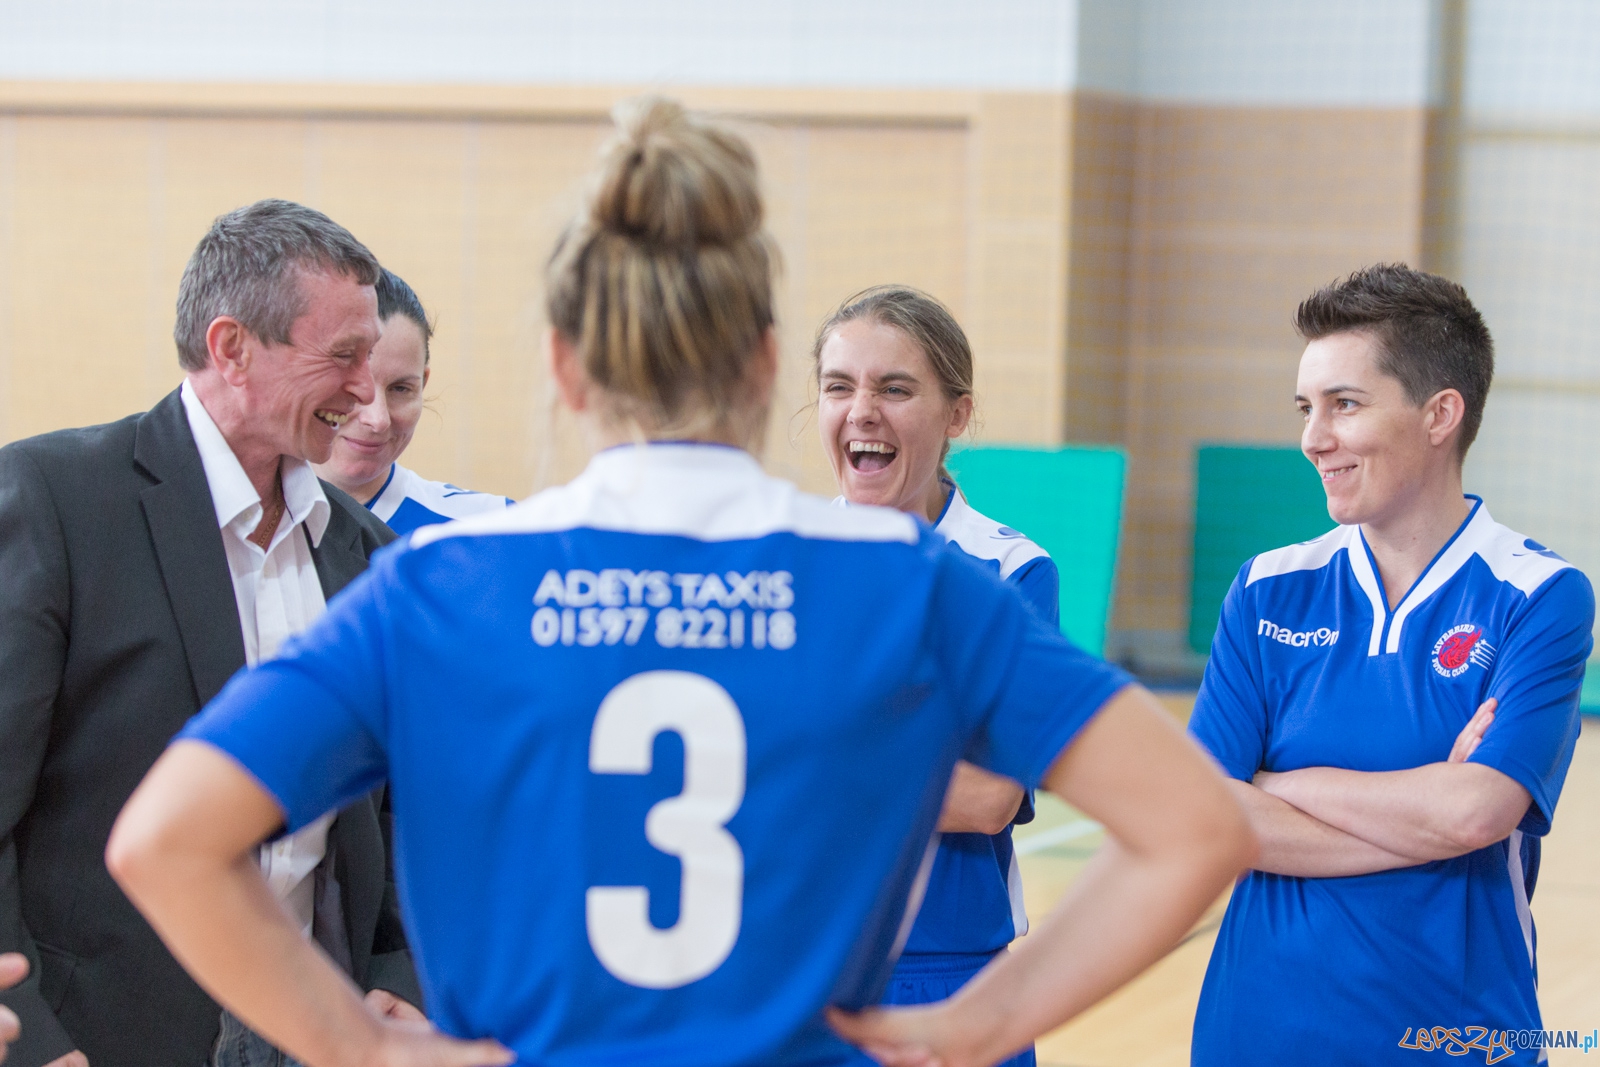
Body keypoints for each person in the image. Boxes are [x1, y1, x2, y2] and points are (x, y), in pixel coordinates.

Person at [104, 97, 1252, 1067]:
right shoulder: (904, 582)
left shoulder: (444, 584)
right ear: (766, 359)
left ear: (561, 361)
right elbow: (1195, 822)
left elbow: (163, 840)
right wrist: (979, 1021)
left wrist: (359, 1042)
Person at [0, 199, 421, 1067]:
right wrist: (31, 1037)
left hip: (320, 1031)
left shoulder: (366, 552)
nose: (362, 392)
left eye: (373, 360)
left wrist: (400, 971)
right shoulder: (56, 502)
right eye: (342, 357)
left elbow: (403, 801)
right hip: (104, 1039)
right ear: (232, 348)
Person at [1187, 264, 1593, 1066]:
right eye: (1307, 408)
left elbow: (1476, 815)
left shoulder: (1539, 595)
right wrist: (1425, 812)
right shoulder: (1269, 588)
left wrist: (1274, 785)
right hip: (1252, 1034)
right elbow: (1202, 815)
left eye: (1345, 404)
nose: (1313, 438)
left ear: (1441, 413)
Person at [813, 285, 1053, 1066]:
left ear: (956, 415)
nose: (862, 410)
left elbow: (988, 796)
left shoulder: (1009, 570)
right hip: (800, 963)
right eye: (839, 386)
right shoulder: (784, 558)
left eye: (894, 387)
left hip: (949, 972)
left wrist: (797, 764)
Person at [312, 268, 512, 535]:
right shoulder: (246, 526)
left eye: (400, 388)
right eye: (353, 386)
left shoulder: (493, 530)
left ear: (423, 383)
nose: (378, 419)